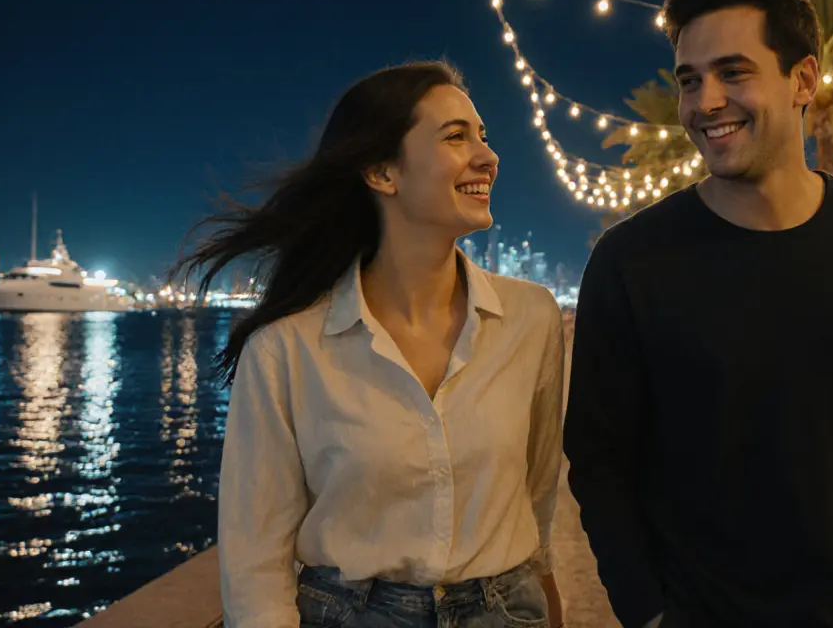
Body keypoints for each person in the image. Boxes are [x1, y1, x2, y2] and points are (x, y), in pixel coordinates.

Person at [564, 0, 833, 628]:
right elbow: (600, 461)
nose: (705, 101)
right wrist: (647, 612)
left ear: (803, 80)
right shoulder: (630, 262)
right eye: (689, 80)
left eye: (733, 72)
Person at [172, 62, 566, 628]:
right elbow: (256, 563)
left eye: (483, 135)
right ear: (382, 172)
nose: (487, 156)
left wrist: (552, 608)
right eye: (456, 136)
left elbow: (537, 495)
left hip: (506, 612)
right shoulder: (287, 347)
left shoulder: (530, 318)